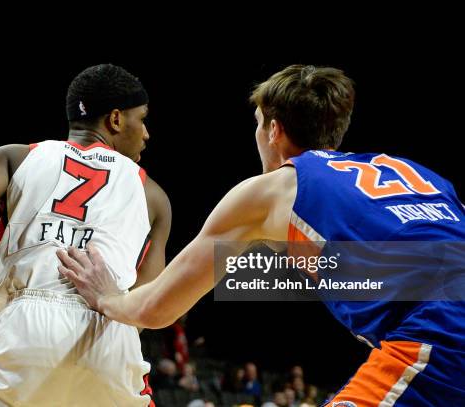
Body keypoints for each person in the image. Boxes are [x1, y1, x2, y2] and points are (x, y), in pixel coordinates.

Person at [58, 64, 465, 405]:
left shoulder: (274, 189)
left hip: (441, 333)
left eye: (257, 126)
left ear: (273, 131)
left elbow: (157, 309)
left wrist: (109, 297)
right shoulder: (416, 174)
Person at [0, 64, 171, 406]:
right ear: (115, 119)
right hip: (110, 334)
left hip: (26, 326)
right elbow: (149, 301)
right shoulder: (153, 196)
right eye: (142, 119)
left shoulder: (18, 157)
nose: (146, 134)